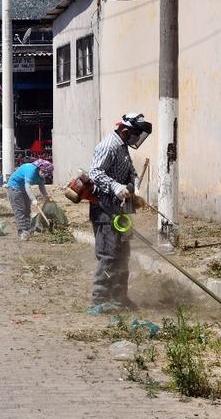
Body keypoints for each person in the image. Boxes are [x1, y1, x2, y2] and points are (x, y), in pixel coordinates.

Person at [88, 112, 153, 310]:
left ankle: (119, 297)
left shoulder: (122, 146)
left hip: (120, 210)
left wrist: (134, 191)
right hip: (104, 210)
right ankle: (100, 300)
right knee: (109, 255)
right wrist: (116, 187)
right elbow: (95, 172)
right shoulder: (108, 146)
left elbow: (130, 172)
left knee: (123, 254)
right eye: (135, 134)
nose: (137, 138)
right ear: (125, 130)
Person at [6, 159, 53, 240]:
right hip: (14, 187)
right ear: (39, 168)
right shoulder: (31, 171)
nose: (44, 174)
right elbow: (27, 187)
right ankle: (22, 231)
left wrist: (46, 196)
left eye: (46, 173)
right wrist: (33, 199)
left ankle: (28, 229)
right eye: (44, 172)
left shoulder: (41, 176)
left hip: (24, 189)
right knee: (20, 210)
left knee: (27, 210)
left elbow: (41, 186)